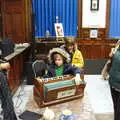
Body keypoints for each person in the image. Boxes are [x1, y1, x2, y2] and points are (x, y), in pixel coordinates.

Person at [107, 40, 120, 120]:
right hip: (114, 82)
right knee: (117, 108)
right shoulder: (116, 52)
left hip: (113, 83)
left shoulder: (116, 52)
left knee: (117, 107)